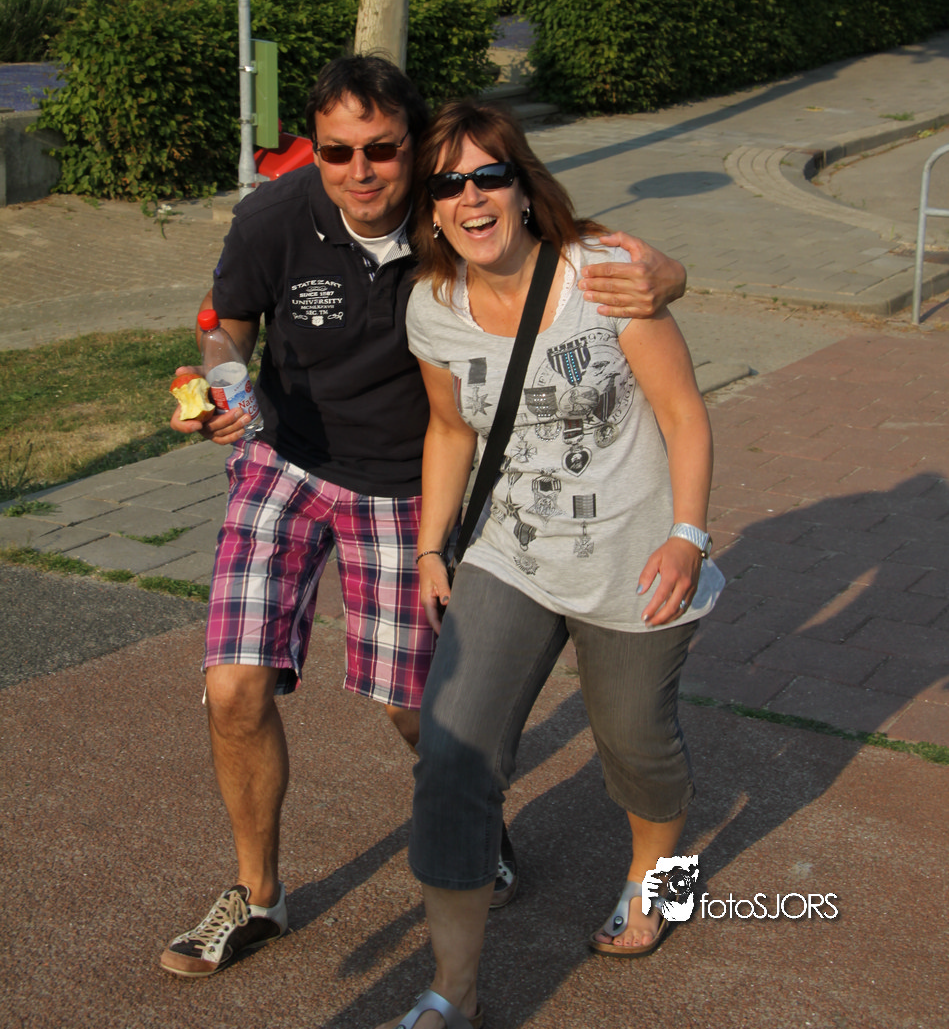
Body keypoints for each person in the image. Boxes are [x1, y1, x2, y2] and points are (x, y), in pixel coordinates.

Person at [160, 55, 687, 979]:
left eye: (381, 149)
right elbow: (225, 320)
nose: (359, 171)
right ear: (313, 149)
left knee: (425, 714)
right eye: (336, 152)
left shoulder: (451, 207)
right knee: (233, 687)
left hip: (404, 485)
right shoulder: (273, 215)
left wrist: (672, 274)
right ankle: (257, 893)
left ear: (414, 145)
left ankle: (481, 821)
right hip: (284, 460)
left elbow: (572, 244)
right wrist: (223, 377)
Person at [381, 99, 724, 1029]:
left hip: (635, 558)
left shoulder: (600, 274)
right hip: (511, 554)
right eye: (448, 183)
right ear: (431, 206)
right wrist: (432, 544)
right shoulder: (432, 307)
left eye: (488, 175)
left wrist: (687, 536)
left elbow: (685, 412)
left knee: (635, 746)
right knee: (451, 755)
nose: (470, 197)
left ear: (524, 186)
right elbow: (450, 430)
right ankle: (452, 987)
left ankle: (659, 876)